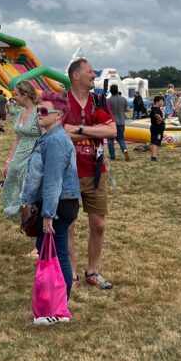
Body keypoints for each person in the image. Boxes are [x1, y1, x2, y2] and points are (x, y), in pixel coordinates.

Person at [20, 91, 81, 324]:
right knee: (51, 253)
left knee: (58, 256)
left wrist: (47, 215)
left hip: (57, 204)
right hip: (56, 203)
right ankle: (53, 301)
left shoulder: (55, 140)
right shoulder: (50, 136)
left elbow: (53, 180)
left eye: (44, 110)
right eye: (38, 110)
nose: (39, 114)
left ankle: (59, 309)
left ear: (59, 115)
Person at [61, 58, 116, 290]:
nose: (94, 75)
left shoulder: (99, 100)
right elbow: (56, 132)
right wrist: (95, 131)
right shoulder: (60, 101)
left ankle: (92, 270)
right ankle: (71, 273)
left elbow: (112, 131)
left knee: (99, 224)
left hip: (95, 172)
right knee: (68, 225)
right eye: (90, 71)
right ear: (76, 75)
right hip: (67, 172)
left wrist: (80, 129)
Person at [1, 80, 42, 221]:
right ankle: (23, 216)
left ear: (25, 94)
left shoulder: (39, 112)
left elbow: (45, 136)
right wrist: (8, 161)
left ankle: (33, 218)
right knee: (12, 182)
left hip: (34, 155)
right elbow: (17, 139)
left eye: (16, 94)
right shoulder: (19, 113)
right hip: (19, 154)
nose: (14, 97)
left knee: (28, 188)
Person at [106, 84, 129, 162]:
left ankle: (112, 156)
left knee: (110, 140)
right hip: (121, 122)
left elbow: (106, 112)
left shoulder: (108, 100)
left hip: (111, 123)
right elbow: (126, 110)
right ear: (117, 90)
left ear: (110, 91)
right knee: (121, 138)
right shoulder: (123, 99)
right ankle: (124, 150)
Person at [149, 95, 166, 162]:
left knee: (154, 142)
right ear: (157, 102)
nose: (162, 102)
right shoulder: (156, 109)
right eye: (161, 101)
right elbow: (156, 115)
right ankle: (154, 157)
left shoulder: (154, 108)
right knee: (156, 142)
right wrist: (161, 120)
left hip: (154, 127)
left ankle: (153, 156)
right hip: (157, 128)